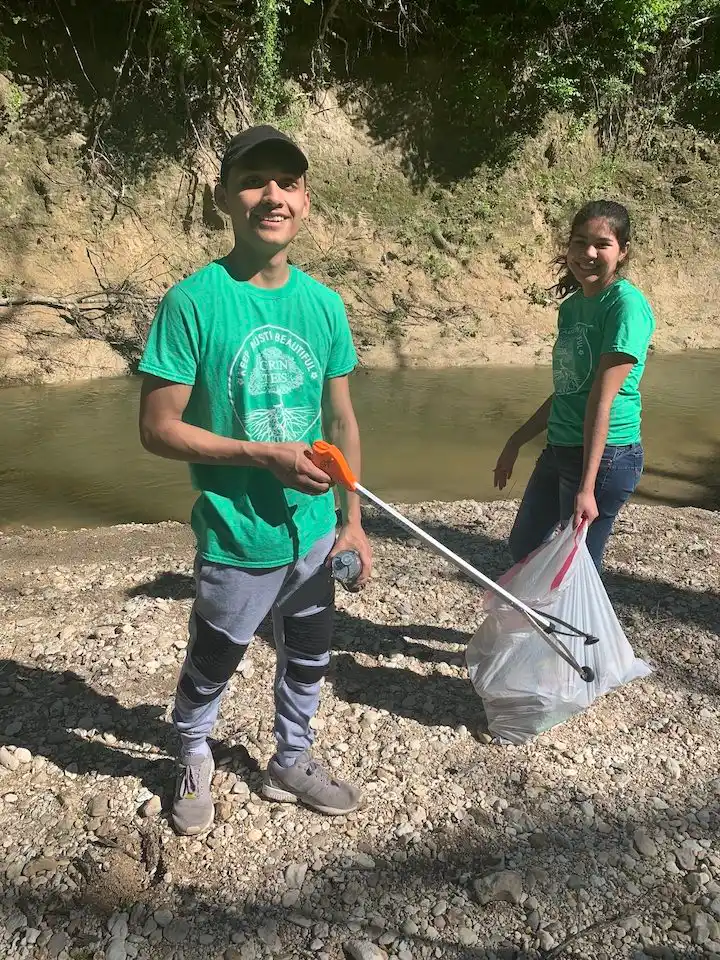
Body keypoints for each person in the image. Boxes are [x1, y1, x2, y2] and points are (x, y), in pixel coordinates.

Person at [137, 124, 372, 836]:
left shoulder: (325, 304)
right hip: (238, 531)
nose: (274, 195)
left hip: (314, 530)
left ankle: (291, 759)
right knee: (215, 658)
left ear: (305, 201)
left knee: (309, 653)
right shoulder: (193, 302)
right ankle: (190, 750)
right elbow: (157, 428)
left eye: (289, 182)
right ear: (225, 200)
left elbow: (342, 420)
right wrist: (260, 455)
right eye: (255, 180)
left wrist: (352, 518)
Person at [494, 200, 655, 571]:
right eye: (580, 242)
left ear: (623, 251)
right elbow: (569, 388)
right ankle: (544, 625)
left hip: (606, 456)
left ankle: (574, 631)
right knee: (525, 546)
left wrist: (587, 486)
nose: (588, 253)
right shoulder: (572, 307)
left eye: (602, 244)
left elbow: (602, 398)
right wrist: (515, 441)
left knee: (574, 568)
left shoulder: (625, 306)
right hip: (561, 446)